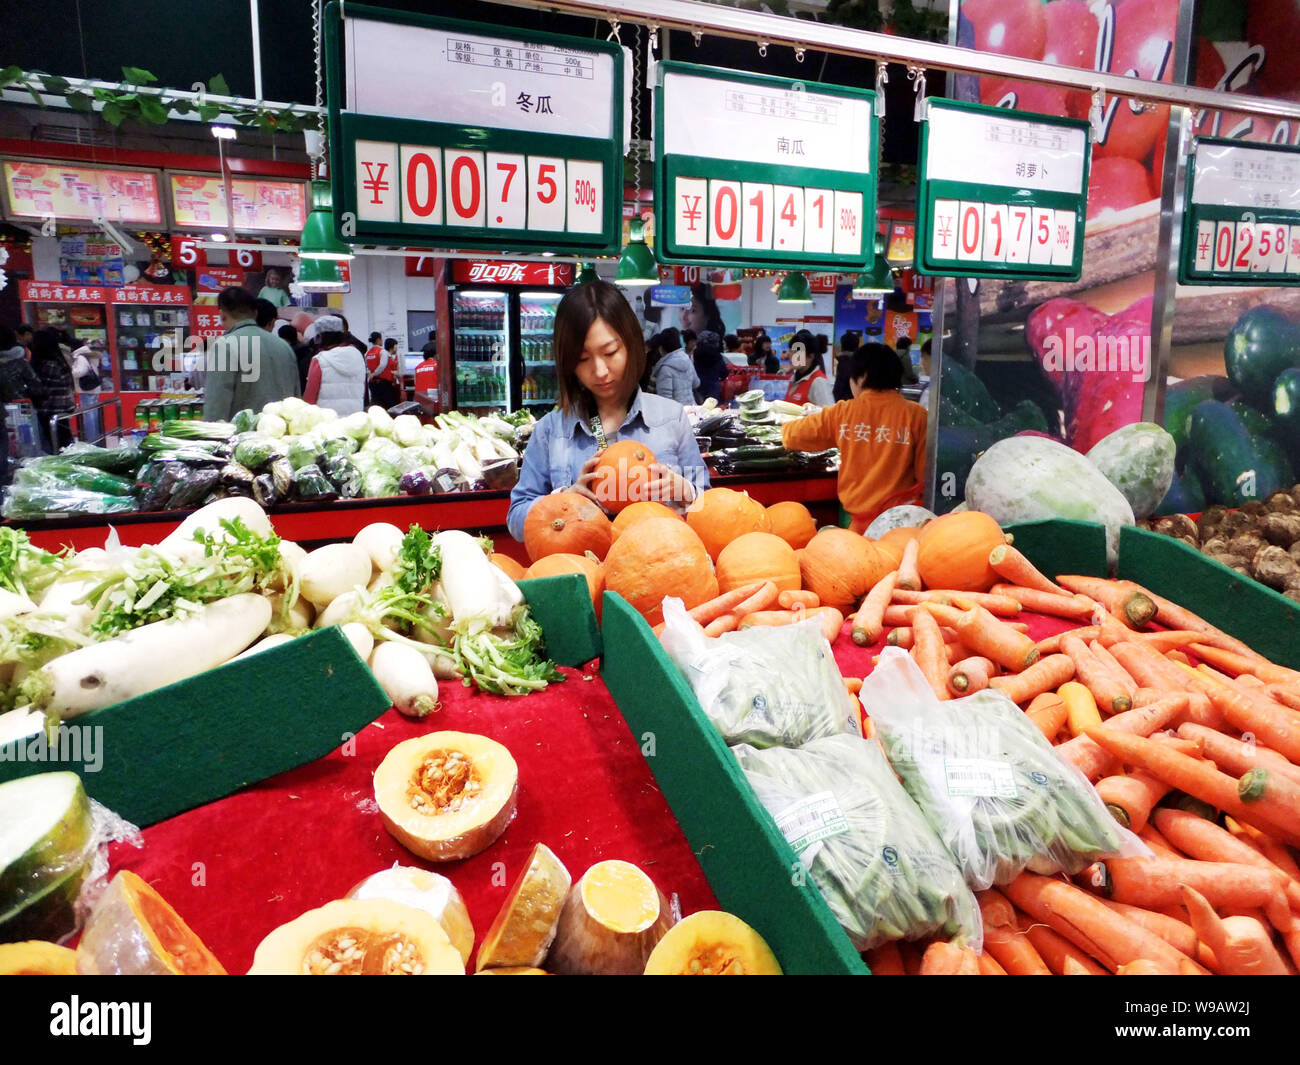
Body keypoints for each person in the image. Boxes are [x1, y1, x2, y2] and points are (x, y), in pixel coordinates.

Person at [507, 280, 708, 542]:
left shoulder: (671, 418)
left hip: (659, 565)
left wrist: (686, 491)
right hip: (581, 572)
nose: (600, 371)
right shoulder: (551, 431)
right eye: (582, 359)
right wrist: (564, 501)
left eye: (610, 352)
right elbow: (516, 519)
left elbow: (709, 505)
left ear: (631, 344)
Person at [781, 343, 927, 534]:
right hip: (902, 527)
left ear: (862, 377)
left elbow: (794, 435)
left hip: (858, 527)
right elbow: (925, 477)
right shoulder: (917, 416)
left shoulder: (844, 413)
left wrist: (783, 428)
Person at [204, 286, 302, 421]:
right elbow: (296, 399)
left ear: (222, 315)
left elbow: (217, 402)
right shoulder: (284, 347)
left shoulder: (225, 345)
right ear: (255, 313)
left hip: (241, 438)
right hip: (282, 436)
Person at [0, 324, 44, 482]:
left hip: (7, 410)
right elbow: (37, 386)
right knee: (26, 446)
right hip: (21, 409)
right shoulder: (19, 362)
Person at [303, 314, 367, 417]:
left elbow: (309, 399)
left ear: (320, 336)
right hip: (354, 420)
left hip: (327, 422)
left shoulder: (319, 360)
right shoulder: (358, 355)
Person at [29, 328, 76, 453]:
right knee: (65, 441)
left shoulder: (46, 365)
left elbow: (39, 389)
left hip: (50, 409)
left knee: (54, 444)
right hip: (63, 407)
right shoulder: (59, 360)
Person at [69, 337, 106, 443]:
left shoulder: (80, 356)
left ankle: (91, 440)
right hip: (94, 388)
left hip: (86, 390)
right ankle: (97, 439)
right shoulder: (91, 353)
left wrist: (72, 370)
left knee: (88, 416)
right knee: (93, 414)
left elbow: (80, 372)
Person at [784, 329, 833, 407]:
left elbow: (829, 415)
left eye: (796, 352)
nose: (791, 356)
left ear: (810, 356)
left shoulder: (818, 382)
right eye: (790, 351)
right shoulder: (795, 377)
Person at [651, 327, 698, 406]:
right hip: (691, 409)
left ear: (661, 348)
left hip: (676, 414)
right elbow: (696, 383)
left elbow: (665, 400)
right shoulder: (687, 359)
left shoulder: (665, 369)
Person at [367, 334, 402, 410]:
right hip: (384, 382)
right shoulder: (382, 352)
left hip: (372, 383)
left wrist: (371, 374)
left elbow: (367, 367)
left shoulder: (368, 353)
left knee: (376, 405)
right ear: (379, 340)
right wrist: (375, 373)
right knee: (390, 405)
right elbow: (382, 365)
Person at [693, 330, 724, 405]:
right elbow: (724, 373)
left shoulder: (695, 354)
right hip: (713, 389)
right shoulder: (718, 356)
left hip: (698, 387)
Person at [413, 341, 440, 416]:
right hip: (434, 404)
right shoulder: (438, 365)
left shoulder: (418, 367)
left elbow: (416, 383)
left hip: (419, 403)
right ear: (436, 354)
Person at [833, 331, 860, 402]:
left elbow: (838, 388)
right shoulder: (861, 364)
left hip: (841, 404)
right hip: (856, 403)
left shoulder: (840, 362)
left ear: (842, 346)